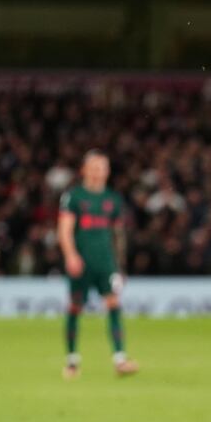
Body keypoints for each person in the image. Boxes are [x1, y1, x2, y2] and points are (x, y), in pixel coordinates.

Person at [57, 150, 138, 378]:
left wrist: (120, 266)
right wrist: (71, 255)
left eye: (102, 167)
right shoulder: (74, 197)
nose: (98, 172)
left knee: (113, 304)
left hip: (106, 263)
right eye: (94, 167)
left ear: (107, 171)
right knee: (75, 307)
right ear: (84, 170)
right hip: (81, 263)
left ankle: (120, 359)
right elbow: (64, 230)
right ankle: (72, 361)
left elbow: (118, 235)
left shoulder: (113, 199)